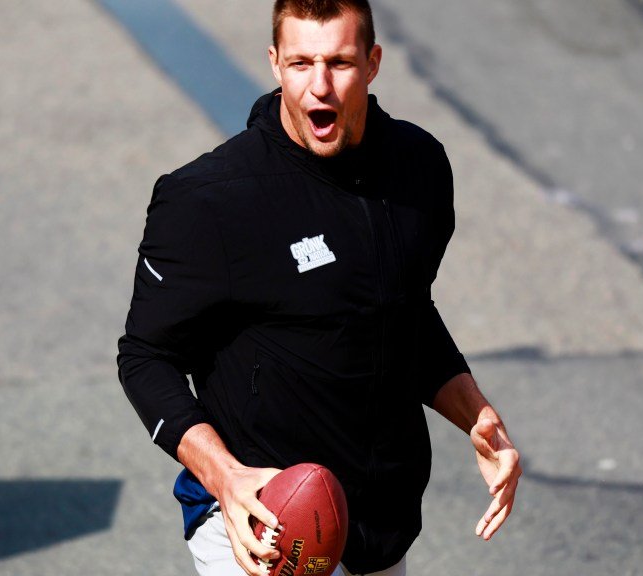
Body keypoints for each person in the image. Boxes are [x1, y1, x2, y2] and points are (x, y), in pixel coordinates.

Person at [116, 1, 521, 575]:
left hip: (377, 528)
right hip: (266, 522)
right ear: (275, 63)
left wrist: (477, 414)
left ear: (373, 63)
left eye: (340, 62)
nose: (320, 86)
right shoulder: (211, 200)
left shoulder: (418, 168)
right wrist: (225, 478)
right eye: (302, 63)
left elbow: (403, 314)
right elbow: (145, 357)